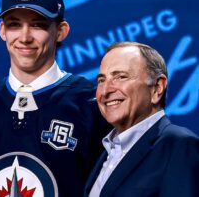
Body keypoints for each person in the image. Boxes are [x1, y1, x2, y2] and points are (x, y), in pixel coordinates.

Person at [0, 0, 109, 196]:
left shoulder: (90, 103)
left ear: (61, 31)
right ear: (2, 30)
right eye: (14, 25)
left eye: (38, 25)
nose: (25, 37)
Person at [85, 41, 199, 197]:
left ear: (157, 88)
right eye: (101, 80)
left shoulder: (178, 145)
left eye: (121, 77)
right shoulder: (107, 150)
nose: (105, 91)